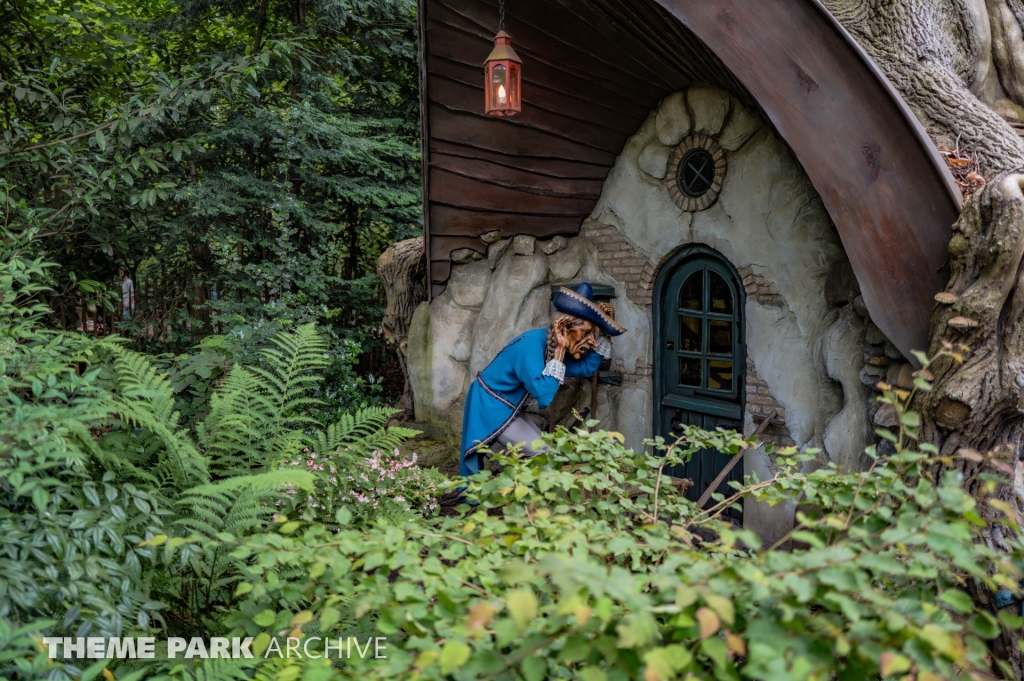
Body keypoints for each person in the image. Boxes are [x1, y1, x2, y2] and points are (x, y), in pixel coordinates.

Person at [459, 282, 627, 477]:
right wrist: (560, 352)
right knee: (543, 454)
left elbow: (586, 368)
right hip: (490, 405)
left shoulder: (548, 346)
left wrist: (605, 335)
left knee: (544, 453)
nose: (592, 341)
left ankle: (530, 499)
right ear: (565, 329)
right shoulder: (530, 347)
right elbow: (544, 396)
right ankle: (531, 502)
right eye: (587, 333)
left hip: (506, 405)